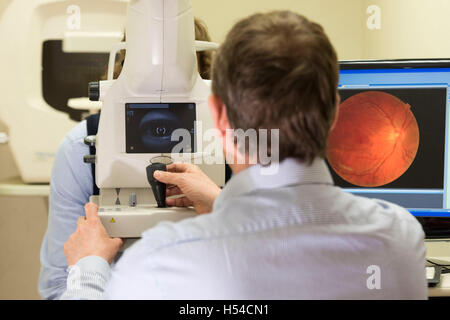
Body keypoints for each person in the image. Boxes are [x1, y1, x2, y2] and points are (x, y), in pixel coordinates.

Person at [61, 11, 427, 299]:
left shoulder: (158, 262)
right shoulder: (399, 239)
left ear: (216, 116)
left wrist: (88, 268)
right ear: (334, 110)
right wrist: (223, 205)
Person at [38, 18, 214, 300]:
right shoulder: (79, 148)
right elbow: (58, 286)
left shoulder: (234, 150)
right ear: (121, 74)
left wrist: (222, 209)